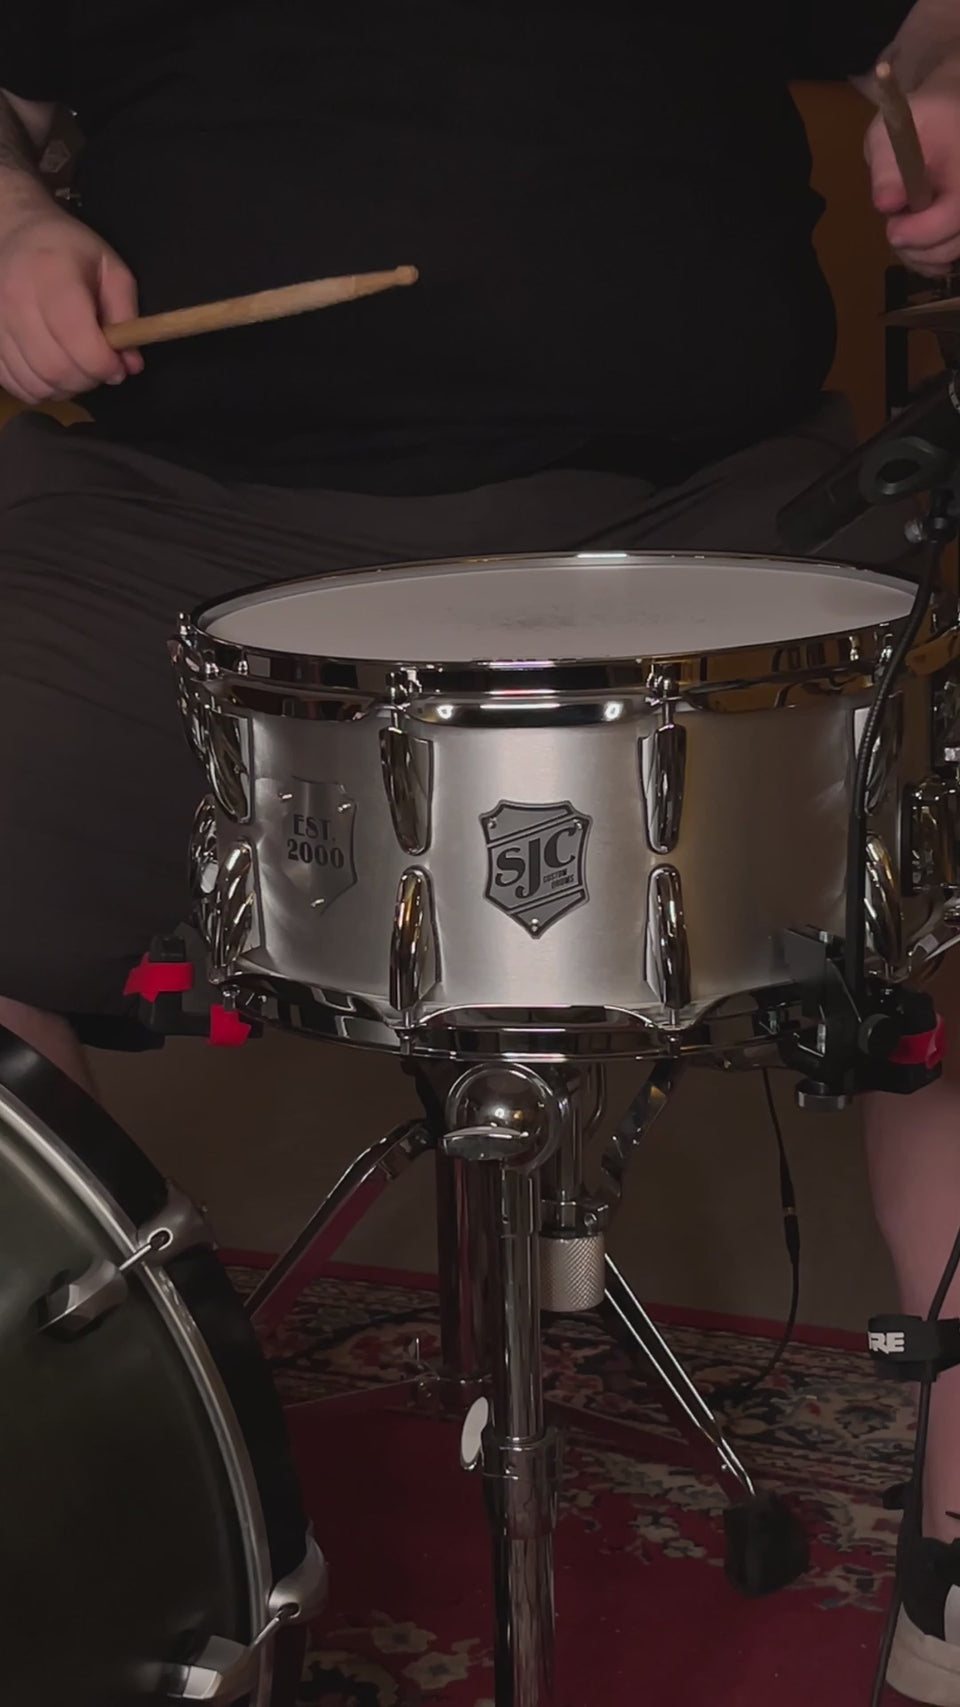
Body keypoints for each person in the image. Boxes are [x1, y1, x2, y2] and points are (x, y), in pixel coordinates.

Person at [2, 2, 960, 1696]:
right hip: (179, 521)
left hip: (701, 506)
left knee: (942, 872)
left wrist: (948, 86)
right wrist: (12, 218)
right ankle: (117, 1520)